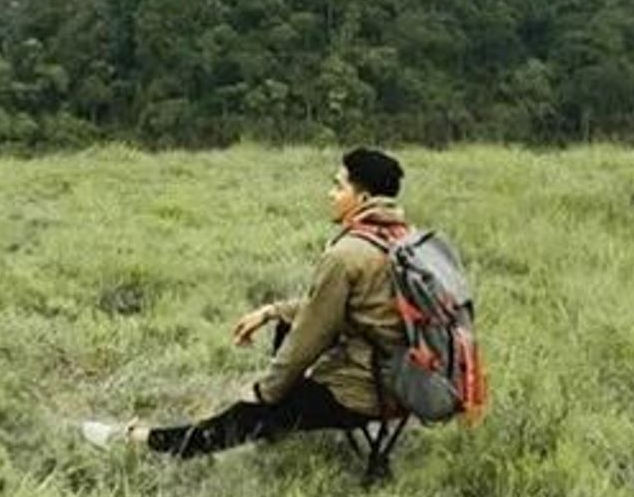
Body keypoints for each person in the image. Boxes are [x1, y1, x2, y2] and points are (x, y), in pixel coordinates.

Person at [82, 147, 410, 457]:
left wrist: (265, 394)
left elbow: (312, 333)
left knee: (244, 415)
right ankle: (275, 422)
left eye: (338, 187)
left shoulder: (347, 254)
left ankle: (136, 442)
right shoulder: (399, 237)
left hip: (360, 392)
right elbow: (339, 310)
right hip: (401, 385)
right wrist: (270, 312)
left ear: (363, 198)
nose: (330, 194)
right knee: (285, 325)